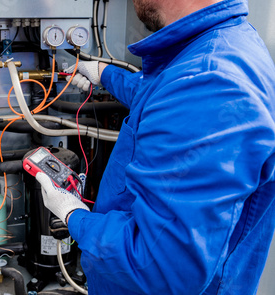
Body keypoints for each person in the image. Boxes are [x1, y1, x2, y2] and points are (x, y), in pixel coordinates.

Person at [35, 0, 275, 293]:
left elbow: (156, 270)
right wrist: (105, 74)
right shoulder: (220, 43)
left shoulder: (211, 86)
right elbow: (163, 94)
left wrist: (75, 216)